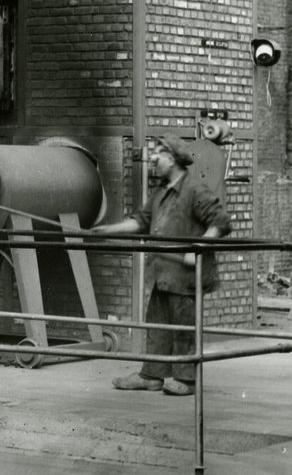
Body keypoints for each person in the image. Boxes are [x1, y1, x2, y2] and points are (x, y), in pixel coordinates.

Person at [92, 134, 231, 396]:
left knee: (183, 327)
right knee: (157, 325)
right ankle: (152, 375)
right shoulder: (161, 193)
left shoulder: (194, 190)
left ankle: (187, 380)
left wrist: (200, 246)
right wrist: (110, 229)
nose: (153, 158)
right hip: (164, 273)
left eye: (158, 153)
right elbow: (141, 222)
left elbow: (221, 221)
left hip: (186, 276)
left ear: (172, 159)